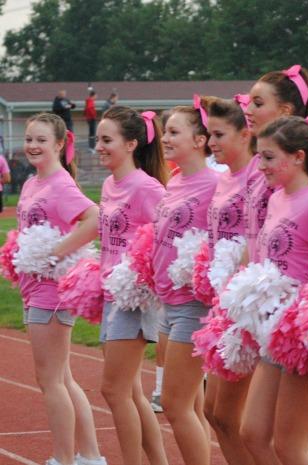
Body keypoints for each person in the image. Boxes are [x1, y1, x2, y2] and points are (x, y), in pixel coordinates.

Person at [238, 65, 308, 465]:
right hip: (272, 327)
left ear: (299, 156)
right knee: (252, 432)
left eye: (269, 158)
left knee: (290, 444)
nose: (262, 166)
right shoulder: (278, 196)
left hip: (299, 329)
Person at [18, 113, 106, 465]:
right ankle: (90, 456)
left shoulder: (61, 184)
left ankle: (63, 459)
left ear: (59, 144)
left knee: (50, 380)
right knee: (63, 378)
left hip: (51, 294)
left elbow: (94, 218)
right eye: (28, 139)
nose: (33, 146)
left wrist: (55, 253)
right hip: (32, 289)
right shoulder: (31, 183)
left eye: (41, 140)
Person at [96, 106, 169, 465]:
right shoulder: (110, 184)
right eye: (98, 140)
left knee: (114, 389)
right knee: (133, 393)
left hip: (135, 300)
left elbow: (169, 238)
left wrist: (145, 278)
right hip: (112, 295)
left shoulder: (146, 187)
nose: (100, 147)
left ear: (131, 144)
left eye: (107, 140)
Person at [152, 105, 218, 465]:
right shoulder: (174, 180)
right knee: (191, 403)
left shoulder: (213, 185)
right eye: (165, 132)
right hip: (168, 303)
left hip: (193, 305)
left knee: (175, 405)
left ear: (200, 140)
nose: (166, 138)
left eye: (174, 132)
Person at [199, 95, 260, 465]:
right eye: (209, 134)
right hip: (222, 304)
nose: (211, 143)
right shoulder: (224, 179)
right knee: (214, 412)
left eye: (219, 134)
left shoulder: (257, 176)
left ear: (245, 133)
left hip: (247, 304)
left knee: (233, 417)